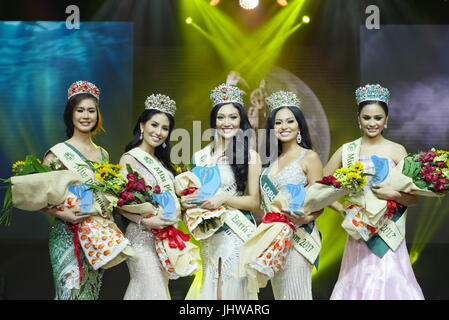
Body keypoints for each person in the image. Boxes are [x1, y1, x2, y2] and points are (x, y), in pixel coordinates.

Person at [327, 84, 424, 300]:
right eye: (367, 117)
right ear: (358, 118)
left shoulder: (397, 150)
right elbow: (320, 187)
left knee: (392, 282)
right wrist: (342, 208)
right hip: (359, 233)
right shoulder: (347, 150)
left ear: (386, 119)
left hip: (389, 232)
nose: (372, 123)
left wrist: (393, 195)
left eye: (378, 118)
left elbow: (414, 198)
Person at [182, 84, 262, 300]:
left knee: (230, 290)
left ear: (241, 121)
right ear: (213, 121)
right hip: (208, 233)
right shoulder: (199, 156)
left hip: (235, 232)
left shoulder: (250, 156)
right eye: (221, 117)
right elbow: (193, 192)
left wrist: (225, 198)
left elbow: (255, 202)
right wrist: (188, 201)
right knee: (210, 285)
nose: (226, 122)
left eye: (233, 117)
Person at [42, 80, 108, 299]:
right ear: (71, 114)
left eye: (91, 110)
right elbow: (41, 197)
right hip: (66, 234)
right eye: (80, 110)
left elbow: (106, 194)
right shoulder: (57, 154)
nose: (86, 116)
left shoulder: (103, 155)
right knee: (69, 293)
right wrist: (63, 214)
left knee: (89, 293)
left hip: (95, 235)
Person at [259, 90, 323, 299]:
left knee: (297, 293)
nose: (284, 126)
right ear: (272, 128)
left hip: (299, 237)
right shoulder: (268, 163)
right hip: (274, 239)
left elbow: (319, 201)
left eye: (290, 121)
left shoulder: (309, 157)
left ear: (299, 126)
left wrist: (306, 218)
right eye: (278, 122)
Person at [118, 93, 180, 300]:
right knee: (154, 291)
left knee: (147, 291)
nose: (158, 132)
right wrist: (145, 220)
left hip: (164, 239)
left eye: (165, 128)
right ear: (142, 125)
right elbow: (119, 204)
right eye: (154, 125)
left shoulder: (165, 166)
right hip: (140, 237)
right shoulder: (129, 159)